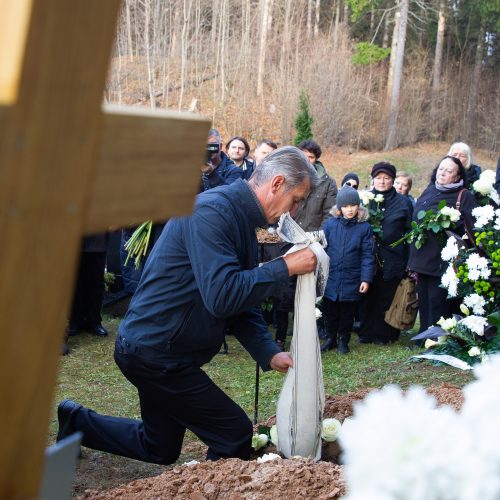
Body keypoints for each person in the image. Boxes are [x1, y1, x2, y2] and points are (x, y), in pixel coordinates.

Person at [56, 146, 318, 465]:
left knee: (159, 447)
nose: (295, 211)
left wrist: (268, 350)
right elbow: (223, 295)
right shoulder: (213, 213)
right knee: (232, 432)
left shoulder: (241, 223)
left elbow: (239, 303)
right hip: (154, 352)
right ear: (276, 184)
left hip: (161, 349)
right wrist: (285, 266)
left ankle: (75, 422)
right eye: (297, 200)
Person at [408, 156, 476, 333]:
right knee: (423, 299)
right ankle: (424, 335)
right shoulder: (430, 189)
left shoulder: (464, 195)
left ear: (457, 176)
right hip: (422, 257)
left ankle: (439, 338)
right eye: (441, 169)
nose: (443, 173)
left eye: (448, 171)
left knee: (438, 301)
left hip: (443, 260)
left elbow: (471, 228)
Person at [358, 162, 413, 344]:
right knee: (367, 295)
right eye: (379, 178)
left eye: (387, 178)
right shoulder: (365, 199)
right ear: (373, 179)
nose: (382, 182)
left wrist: (408, 261)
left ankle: (384, 334)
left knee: (386, 295)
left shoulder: (403, 202)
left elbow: (409, 231)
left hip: (393, 255)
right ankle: (365, 332)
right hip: (368, 255)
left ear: (393, 180)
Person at [321, 186, 375, 354]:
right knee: (330, 312)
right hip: (332, 276)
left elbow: (367, 255)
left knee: (347, 313)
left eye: (353, 205)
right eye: (345, 206)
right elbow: (322, 249)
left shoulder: (364, 228)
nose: (350, 209)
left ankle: (343, 340)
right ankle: (330, 338)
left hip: (352, 277)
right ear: (339, 208)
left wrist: (365, 279)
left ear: (358, 206)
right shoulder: (330, 225)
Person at [67, 234, 109, 337]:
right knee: (75, 282)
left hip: (97, 236)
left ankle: (94, 321)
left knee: (96, 281)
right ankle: (75, 320)